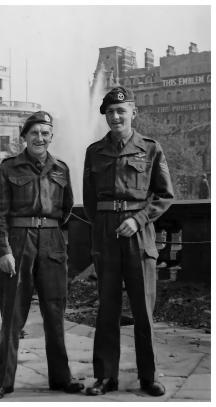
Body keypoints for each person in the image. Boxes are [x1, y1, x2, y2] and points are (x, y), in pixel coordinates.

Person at [0, 111, 84, 400]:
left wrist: (53, 237)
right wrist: (4, 251)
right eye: (34, 133)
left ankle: (61, 378)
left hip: (52, 245)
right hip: (19, 244)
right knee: (12, 315)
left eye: (45, 133)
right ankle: (4, 381)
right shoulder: (8, 168)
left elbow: (66, 209)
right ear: (24, 136)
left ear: (51, 136)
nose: (40, 138)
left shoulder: (61, 169)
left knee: (55, 312)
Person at [83, 87, 174, 397]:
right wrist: (105, 228)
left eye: (121, 111)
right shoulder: (94, 152)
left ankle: (149, 377)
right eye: (110, 112)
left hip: (139, 231)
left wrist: (138, 219)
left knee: (143, 310)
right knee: (106, 308)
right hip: (107, 234)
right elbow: (90, 200)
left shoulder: (150, 148)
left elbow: (164, 195)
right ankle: (105, 377)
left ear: (134, 113)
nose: (115, 116)